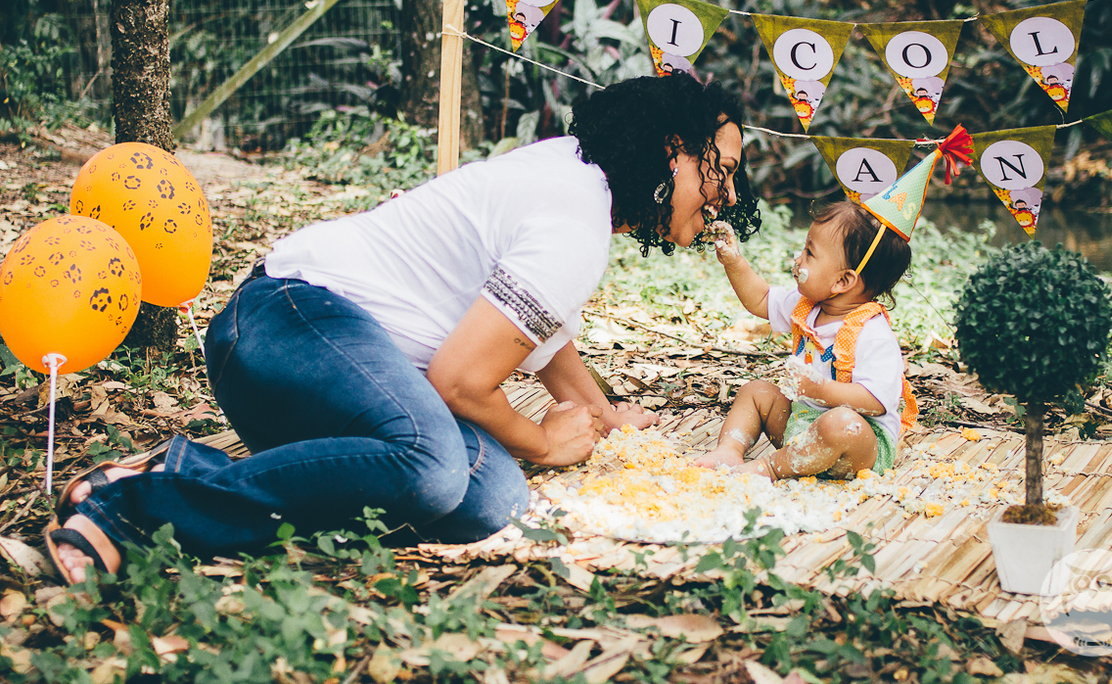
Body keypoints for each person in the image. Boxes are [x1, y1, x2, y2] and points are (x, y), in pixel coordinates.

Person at [44, 74, 762, 584]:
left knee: (492, 499)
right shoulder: (577, 220)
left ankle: (187, 471)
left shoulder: (572, 180)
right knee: (433, 464)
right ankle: (131, 511)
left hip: (322, 376)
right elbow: (459, 381)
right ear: (672, 147)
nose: (726, 196)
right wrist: (544, 438)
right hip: (285, 318)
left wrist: (604, 418)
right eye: (719, 169)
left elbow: (544, 340)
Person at [695, 199, 916, 481]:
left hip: (856, 446)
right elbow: (761, 299)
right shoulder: (807, 307)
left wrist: (820, 389)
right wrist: (734, 261)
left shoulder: (873, 334)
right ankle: (729, 449)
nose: (798, 259)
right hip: (801, 426)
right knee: (755, 391)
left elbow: (875, 400)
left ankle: (772, 467)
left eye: (809, 253)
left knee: (841, 423)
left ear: (843, 282)